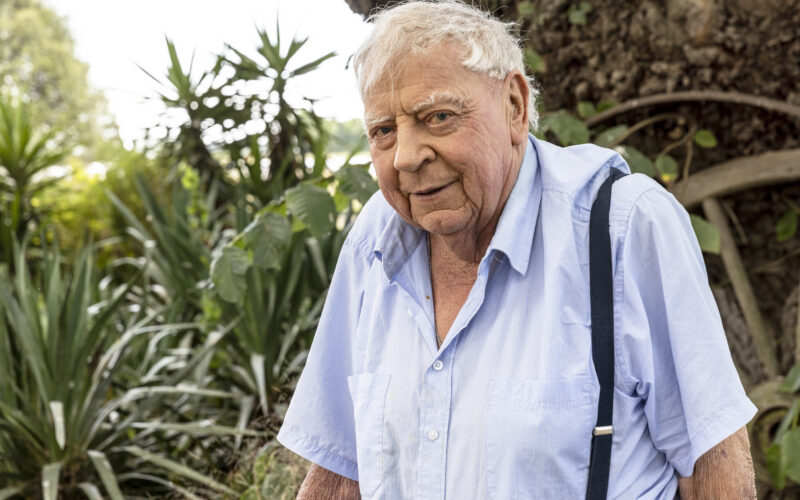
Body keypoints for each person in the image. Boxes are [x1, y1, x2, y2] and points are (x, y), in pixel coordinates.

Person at [277, 1, 758, 498]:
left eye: (438, 116)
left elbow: (711, 468)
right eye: (383, 131)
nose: (406, 156)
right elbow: (338, 475)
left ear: (514, 105)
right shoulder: (374, 239)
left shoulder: (623, 228)